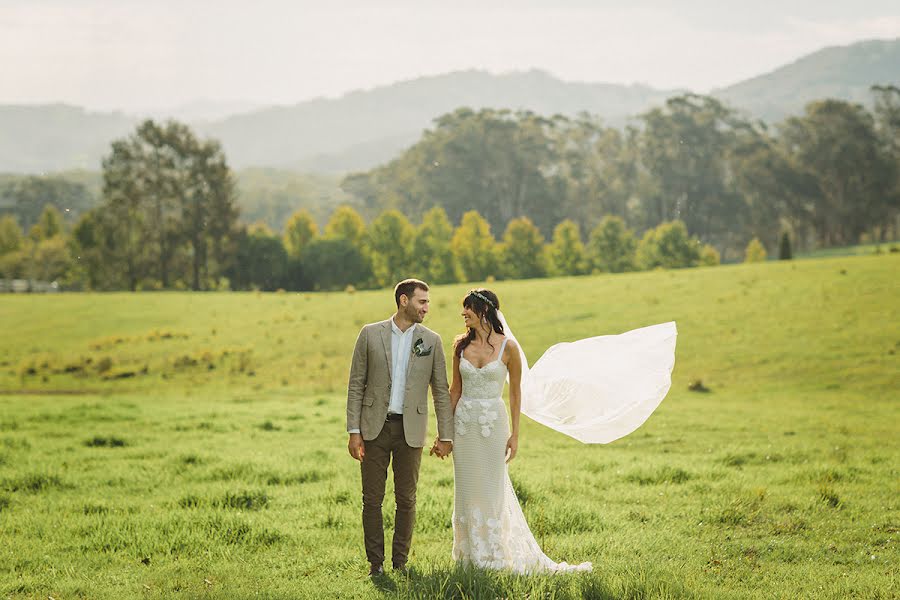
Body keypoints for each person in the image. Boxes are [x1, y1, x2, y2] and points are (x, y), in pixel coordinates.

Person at [439, 288, 676, 573]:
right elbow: (455, 390)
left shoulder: (508, 348)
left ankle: (494, 556)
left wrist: (515, 434)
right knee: (467, 490)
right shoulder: (460, 347)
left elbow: (515, 395)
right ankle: (468, 557)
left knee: (491, 490)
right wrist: (445, 434)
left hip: (493, 426)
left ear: (484, 311)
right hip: (465, 426)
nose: (463, 313)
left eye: (468, 308)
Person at [346, 278, 454, 577]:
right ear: (404, 301)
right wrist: (353, 431)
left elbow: (441, 391)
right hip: (373, 429)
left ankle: (400, 563)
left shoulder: (431, 340)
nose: (426, 307)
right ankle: (376, 564)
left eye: (428, 302)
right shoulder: (369, 334)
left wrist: (446, 435)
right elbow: (356, 384)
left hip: (411, 430)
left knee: (407, 499)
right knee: (372, 499)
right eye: (422, 301)